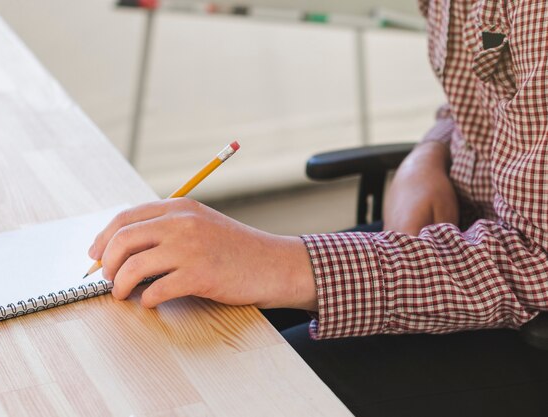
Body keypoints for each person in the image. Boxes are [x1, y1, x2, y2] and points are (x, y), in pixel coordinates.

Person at [88, 1, 548, 415]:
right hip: (471, 239)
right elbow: (493, 101)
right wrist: (428, 152)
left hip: (524, 302)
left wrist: (274, 261)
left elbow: (537, 265)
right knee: (205, 331)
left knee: (258, 383)